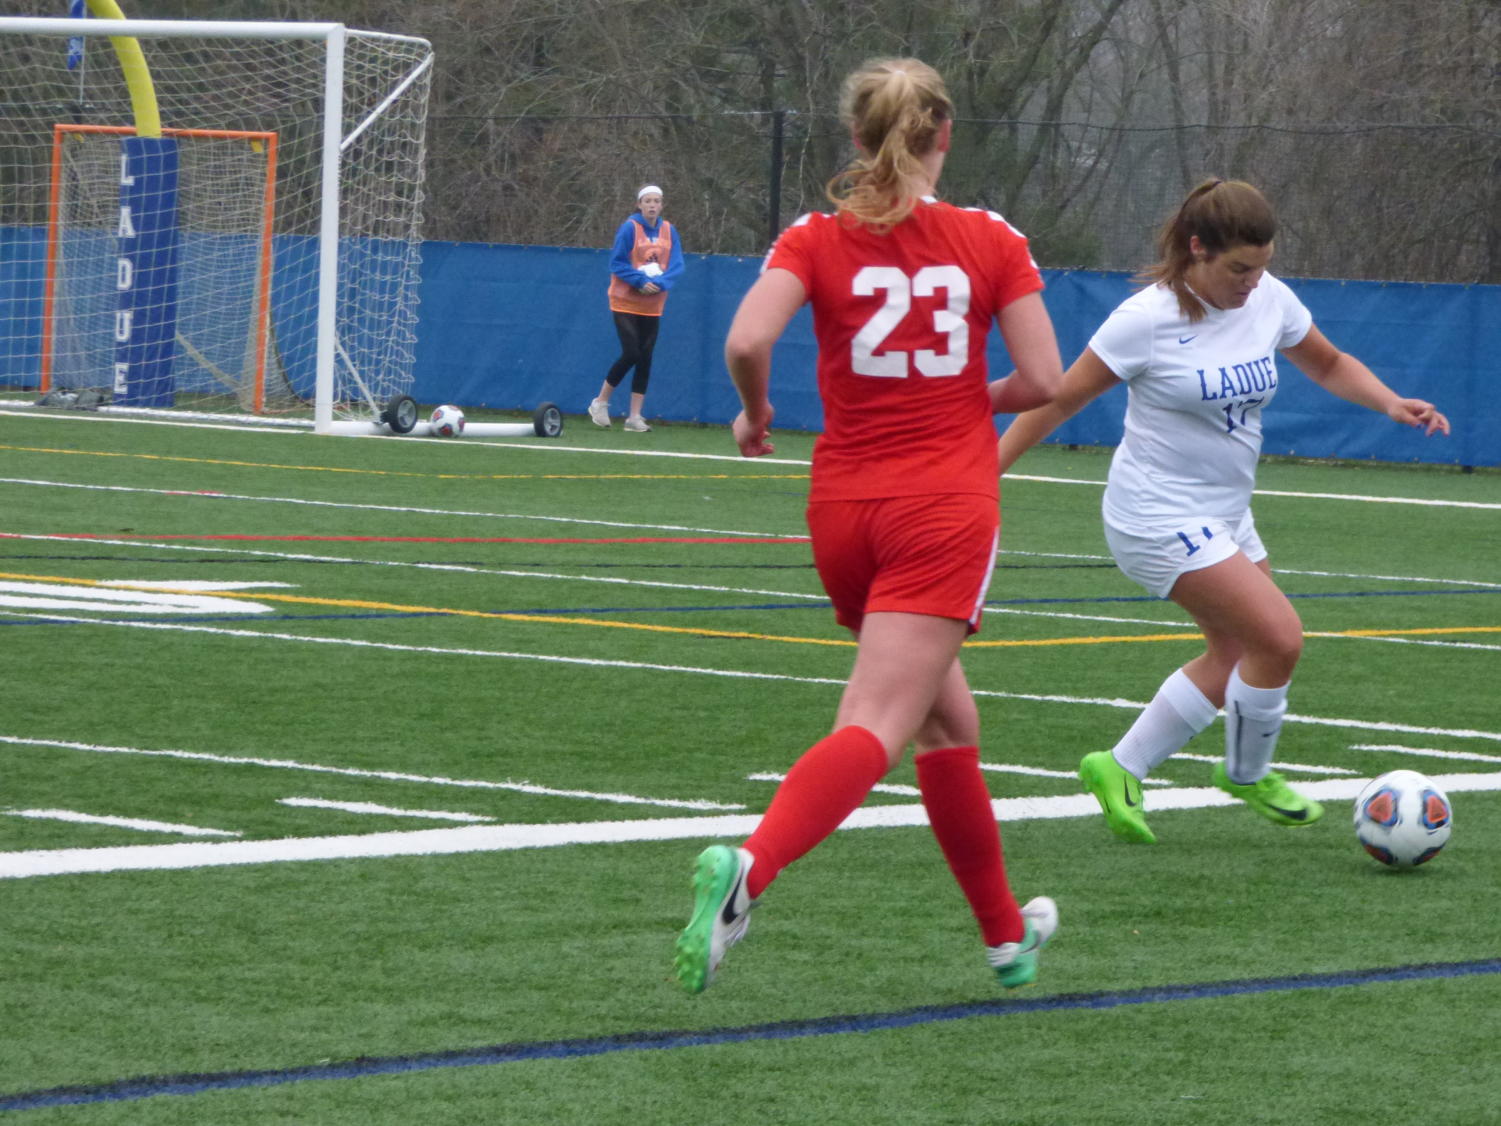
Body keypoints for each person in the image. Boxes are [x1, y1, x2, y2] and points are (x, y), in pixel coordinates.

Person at [673, 58, 1066, 995]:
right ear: (943, 136)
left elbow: (745, 341)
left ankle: (1006, 938)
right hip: (941, 505)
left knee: (945, 720)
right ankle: (749, 870)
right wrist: (965, 399)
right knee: (880, 719)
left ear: (854, 139)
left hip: (842, 507)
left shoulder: (814, 234)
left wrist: (754, 414)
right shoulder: (988, 237)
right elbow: (1046, 382)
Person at [995, 178, 1450, 845]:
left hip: (1224, 511)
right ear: (1195, 249)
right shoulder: (1145, 320)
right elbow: (1057, 399)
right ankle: (1244, 771)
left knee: (1237, 650)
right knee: (1279, 638)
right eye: (1238, 269)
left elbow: (1325, 363)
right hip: (1153, 513)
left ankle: (1117, 766)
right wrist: (986, 471)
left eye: (1261, 267)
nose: (1251, 282)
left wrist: (1387, 401)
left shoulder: (1268, 298)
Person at [589, 184, 684, 432]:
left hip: (653, 303)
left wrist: (659, 283)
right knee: (632, 352)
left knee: (646, 357)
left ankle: (634, 417)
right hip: (625, 300)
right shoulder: (629, 228)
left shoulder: (669, 230)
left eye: (657, 201)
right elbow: (617, 263)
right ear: (639, 204)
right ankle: (600, 402)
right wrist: (640, 281)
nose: (652, 205)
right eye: (648, 201)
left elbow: (677, 265)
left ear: (662, 204)